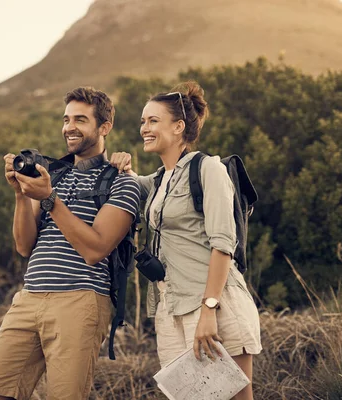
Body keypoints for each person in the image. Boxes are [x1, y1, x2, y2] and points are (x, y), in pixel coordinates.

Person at [0, 87, 141, 400]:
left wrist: (49, 199)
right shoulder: (54, 176)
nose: (69, 127)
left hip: (80, 300)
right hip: (29, 297)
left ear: (104, 127)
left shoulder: (122, 182)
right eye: (66, 120)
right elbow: (25, 246)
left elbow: (96, 249)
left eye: (80, 119)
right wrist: (22, 193)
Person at [110, 81, 261, 399]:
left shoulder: (209, 169)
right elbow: (131, 183)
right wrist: (120, 164)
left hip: (215, 306)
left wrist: (209, 311)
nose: (144, 129)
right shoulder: (160, 178)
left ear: (178, 127)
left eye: (153, 121)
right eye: (142, 121)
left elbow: (223, 244)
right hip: (172, 311)